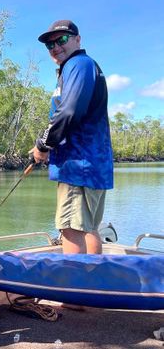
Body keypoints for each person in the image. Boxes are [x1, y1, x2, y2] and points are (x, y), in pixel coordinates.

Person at [30, 20, 114, 256]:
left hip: (79, 166)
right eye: (50, 44)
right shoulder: (80, 67)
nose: (55, 46)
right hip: (88, 165)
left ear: (78, 39)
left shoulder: (78, 63)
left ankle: (73, 291)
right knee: (88, 229)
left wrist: (43, 144)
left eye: (62, 39)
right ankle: (92, 287)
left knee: (70, 229)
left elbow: (69, 111)